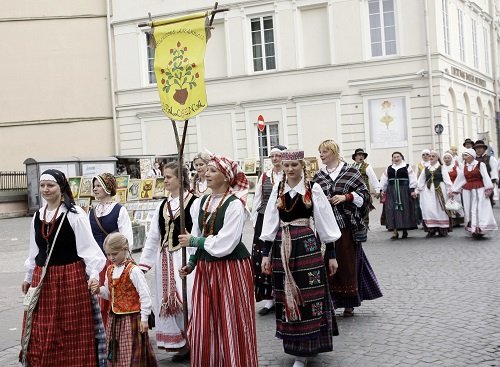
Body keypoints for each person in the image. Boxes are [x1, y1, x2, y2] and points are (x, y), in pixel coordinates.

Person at [260, 149, 341, 367]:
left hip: (306, 245)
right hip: (281, 247)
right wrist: (266, 254)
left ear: (301, 165)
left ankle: (307, 349)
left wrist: (331, 254)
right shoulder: (278, 189)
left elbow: (325, 222)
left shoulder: (312, 188)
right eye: (287, 166)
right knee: (286, 294)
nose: (290, 169)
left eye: (294, 165)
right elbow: (270, 222)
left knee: (309, 294)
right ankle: (295, 348)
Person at [21, 169, 107, 367]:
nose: (45, 189)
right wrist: (28, 276)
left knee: (69, 329)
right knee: (41, 328)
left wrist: (94, 275)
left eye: (50, 185)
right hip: (42, 279)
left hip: (69, 278)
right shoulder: (37, 216)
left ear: (61, 188)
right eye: (42, 185)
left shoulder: (74, 215)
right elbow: (34, 251)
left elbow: (90, 251)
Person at [178, 154, 258, 367]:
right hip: (206, 269)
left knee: (231, 320)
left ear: (226, 176)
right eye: (207, 170)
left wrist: (194, 240)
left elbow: (226, 243)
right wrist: (192, 261)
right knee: (205, 321)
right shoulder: (200, 203)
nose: (206, 173)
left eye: (213, 170)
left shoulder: (235, 205)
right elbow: (198, 231)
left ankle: (236, 362)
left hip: (231, 269)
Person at [313, 140, 382, 318]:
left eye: (325, 151)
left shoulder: (350, 171)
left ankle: (349, 303)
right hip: (326, 226)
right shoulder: (318, 176)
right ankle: (330, 301)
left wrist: (346, 197)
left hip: (346, 226)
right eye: (320, 152)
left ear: (334, 152)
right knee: (326, 263)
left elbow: (365, 195)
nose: (321, 155)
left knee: (347, 264)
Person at [138, 161, 197, 362]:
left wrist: (194, 257)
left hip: (186, 258)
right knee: (169, 304)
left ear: (181, 179)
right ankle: (180, 344)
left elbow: (199, 232)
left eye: (169, 177)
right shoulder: (162, 205)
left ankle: (195, 341)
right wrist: (143, 265)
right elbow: (154, 236)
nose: (165, 181)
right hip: (165, 261)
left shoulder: (194, 202)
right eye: (164, 177)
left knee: (189, 300)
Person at [90, 233, 158, 367]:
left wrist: (144, 319)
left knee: (132, 352)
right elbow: (109, 294)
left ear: (125, 249)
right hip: (114, 319)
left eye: (114, 254)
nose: (111, 257)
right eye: (108, 254)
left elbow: (145, 295)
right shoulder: (110, 270)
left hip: (131, 319)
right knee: (117, 350)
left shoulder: (133, 271)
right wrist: (99, 290)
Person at [90, 173, 133, 325]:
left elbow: (126, 238)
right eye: (94, 186)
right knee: (98, 296)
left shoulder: (119, 210)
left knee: (115, 296)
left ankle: (118, 332)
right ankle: (102, 335)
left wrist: (122, 259)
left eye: (98, 186)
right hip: (97, 263)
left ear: (108, 187)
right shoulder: (92, 211)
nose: (95, 189)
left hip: (114, 261)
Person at [250, 144, 286, 315]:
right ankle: (269, 299)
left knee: (281, 256)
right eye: (272, 156)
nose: (275, 159)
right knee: (262, 258)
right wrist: (255, 220)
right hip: (264, 219)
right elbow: (258, 199)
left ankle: (284, 297)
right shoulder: (265, 176)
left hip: (283, 220)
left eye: (278, 156)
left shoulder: (288, 175)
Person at [451, 148, 497, 238]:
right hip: (467, 191)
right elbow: (460, 179)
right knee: (469, 209)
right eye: (464, 155)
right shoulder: (464, 166)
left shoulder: (480, 165)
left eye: (466, 155)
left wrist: (488, 189)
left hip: (479, 190)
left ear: (472, 156)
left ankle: (480, 228)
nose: (464, 157)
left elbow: (485, 176)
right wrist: (454, 190)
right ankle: (473, 229)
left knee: (479, 208)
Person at [380, 152, 418, 239]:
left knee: (404, 209)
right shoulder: (389, 168)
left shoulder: (407, 167)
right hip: (391, 191)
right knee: (391, 209)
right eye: (394, 157)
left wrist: (412, 190)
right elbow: (384, 180)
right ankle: (394, 231)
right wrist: (381, 190)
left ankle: (405, 230)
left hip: (404, 191)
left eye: (398, 157)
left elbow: (413, 178)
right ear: (392, 159)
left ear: (401, 158)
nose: (396, 158)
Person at [415, 151, 453, 237]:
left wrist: (450, 191)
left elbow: (447, 180)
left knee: (441, 209)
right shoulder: (426, 168)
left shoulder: (442, 168)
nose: (431, 157)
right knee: (428, 209)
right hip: (428, 192)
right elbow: (421, 181)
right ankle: (431, 229)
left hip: (440, 190)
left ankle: (442, 229)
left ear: (437, 158)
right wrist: (416, 191)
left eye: (433, 156)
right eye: (430, 156)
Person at [351, 148, 380, 225]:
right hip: (353, 193)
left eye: (362, 155)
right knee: (354, 212)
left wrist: (377, 190)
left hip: (364, 193)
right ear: (355, 157)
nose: (361, 157)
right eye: (359, 155)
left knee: (364, 211)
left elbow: (373, 178)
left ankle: (364, 229)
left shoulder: (367, 167)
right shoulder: (351, 167)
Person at [473, 140, 498, 206]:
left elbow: (494, 171)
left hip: (487, 183)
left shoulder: (490, 158)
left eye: (480, 148)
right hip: (476, 184)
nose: (479, 149)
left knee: (488, 204)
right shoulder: (473, 159)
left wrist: (492, 184)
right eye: (477, 148)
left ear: (484, 149)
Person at [442, 152, 464, 226]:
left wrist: (458, 187)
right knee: (447, 202)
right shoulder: (442, 168)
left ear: (451, 159)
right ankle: (451, 220)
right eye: (445, 158)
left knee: (456, 202)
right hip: (445, 187)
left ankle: (458, 220)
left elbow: (460, 177)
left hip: (455, 187)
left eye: (448, 158)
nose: (447, 159)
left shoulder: (455, 167)